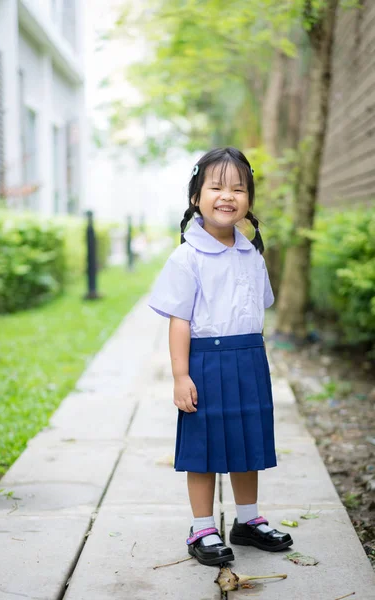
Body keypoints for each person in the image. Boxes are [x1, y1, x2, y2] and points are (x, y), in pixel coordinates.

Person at [148, 147, 293, 566]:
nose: (227, 195)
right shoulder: (187, 256)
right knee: (205, 447)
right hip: (205, 363)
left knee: (249, 443)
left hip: (248, 359)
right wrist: (180, 375)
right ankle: (202, 528)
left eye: (238, 188)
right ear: (196, 197)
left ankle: (247, 521)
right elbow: (179, 321)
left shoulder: (252, 254)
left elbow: (257, 311)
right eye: (216, 187)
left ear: (248, 200)